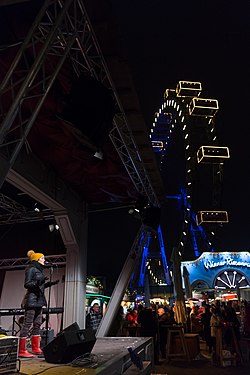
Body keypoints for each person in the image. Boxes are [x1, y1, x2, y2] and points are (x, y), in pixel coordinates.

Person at [18, 250, 59, 358]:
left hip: (39, 301)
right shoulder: (31, 269)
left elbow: (39, 286)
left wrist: (49, 284)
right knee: (27, 324)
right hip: (31, 301)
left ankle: (35, 348)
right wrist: (39, 282)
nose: (44, 260)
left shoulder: (39, 270)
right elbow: (27, 284)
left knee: (37, 323)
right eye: (42, 258)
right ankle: (21, 350)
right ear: (36, 259)